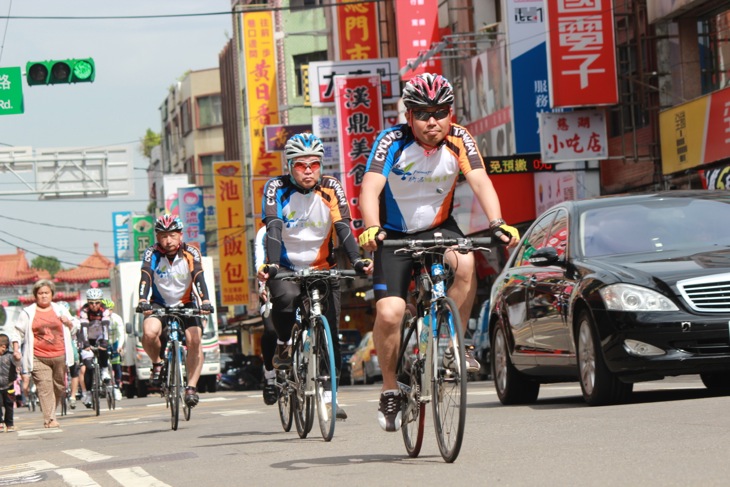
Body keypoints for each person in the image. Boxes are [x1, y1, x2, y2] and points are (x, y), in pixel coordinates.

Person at [358, 73, 519, 432]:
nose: (433, 122)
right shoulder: (390, 141)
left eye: (441, 112)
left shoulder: (460, 138)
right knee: (390, 313)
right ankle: (389, 388)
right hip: (393, 232)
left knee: (464, 260)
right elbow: (370, 187)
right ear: (408, 116)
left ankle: (454, 344)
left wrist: (497, 222)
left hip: (439, 226)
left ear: (451, 112)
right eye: (423, 114)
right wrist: (370, 226)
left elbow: (480, 181)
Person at [258, 132, 373, 420]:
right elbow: (273, 227)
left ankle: (329, 396)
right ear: (289, 166)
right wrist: (272, 265)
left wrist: (358, 260)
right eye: (300, 165)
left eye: (314, 164)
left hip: (323, 267)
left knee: (330, 334)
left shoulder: (331, 187)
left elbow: (343, 227)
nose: (308, 171)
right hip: (285, 266)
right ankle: (284, 345)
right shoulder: (275, 188)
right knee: (284, 302)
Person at [135, 214, 214, 409]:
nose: (168, 240)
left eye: (172, 235)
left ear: (180, 234)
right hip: (159, 303)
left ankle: (191, 388)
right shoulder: (151, 253)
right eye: (163, 236)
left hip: (187, 302)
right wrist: (143, 300)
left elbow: (198, 276)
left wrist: (205, 300)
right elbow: (146, 275)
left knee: (194, 340)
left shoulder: (191, 252)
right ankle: (157, 362)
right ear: (157, 236)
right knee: (149, 332)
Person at [15, 279, 78, 429]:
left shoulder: (61, 309)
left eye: (46, 293)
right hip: (38, 356)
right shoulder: (28, 312)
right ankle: (49, 418)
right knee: (44, 387)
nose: (43, 296)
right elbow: (18, 332)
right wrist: (16, 349)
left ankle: (51, 413)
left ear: (52, 294)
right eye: (40, 293)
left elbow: (75, 327)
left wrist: (68, 322)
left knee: (59, 386)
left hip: (60, 355)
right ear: (36, 295)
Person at [253, 225, 278, 406]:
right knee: (271, 330)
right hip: (271, 288)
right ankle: (269, 375)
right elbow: (260, 262)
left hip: (301, 283)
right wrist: (262, 286)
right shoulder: (264, 232)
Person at [77, 288, 112, 408]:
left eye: (97, 302)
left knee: (103, 349)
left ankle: (104, 370)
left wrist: (105, 342)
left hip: (100, 335)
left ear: (100, 302)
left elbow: (106, 328)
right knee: (89, 367)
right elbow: (84, 329)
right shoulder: (84, 310)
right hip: (87, 338)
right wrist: (86, 344)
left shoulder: (104, 310)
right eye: (91, 302)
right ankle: (87, 394)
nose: (94, 305)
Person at [102, 299, 125, 402]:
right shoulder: (101, 318)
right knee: (103, 361)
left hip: (114, 341)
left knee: (117, 365)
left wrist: (120, 346)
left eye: (109, 309)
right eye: (106, 309)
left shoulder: (116, 318)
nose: (108, 311)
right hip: (104, 342)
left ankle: (116, 387)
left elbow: (121, 334)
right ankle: (103, 375)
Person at [0, 333, 18, 432]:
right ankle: (0, 422)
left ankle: (9, 423)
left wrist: (18, 358)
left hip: (9, 385)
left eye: (3, 348)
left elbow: (18, 362)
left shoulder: (10, 356)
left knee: (9, 405)